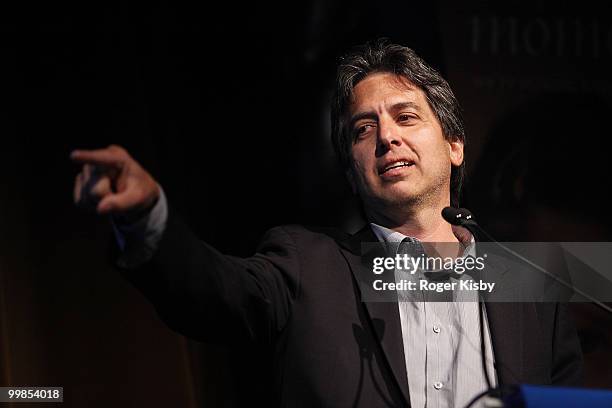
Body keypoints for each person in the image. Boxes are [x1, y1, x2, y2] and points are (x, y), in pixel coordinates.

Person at [71, 40, 583, 407]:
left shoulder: (533, 283)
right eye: (364, 129)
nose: (386, 138)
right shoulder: (306, 264)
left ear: (454, 145)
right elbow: (211, 291)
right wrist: (147, 220)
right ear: (350, 170)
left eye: (406, 117)